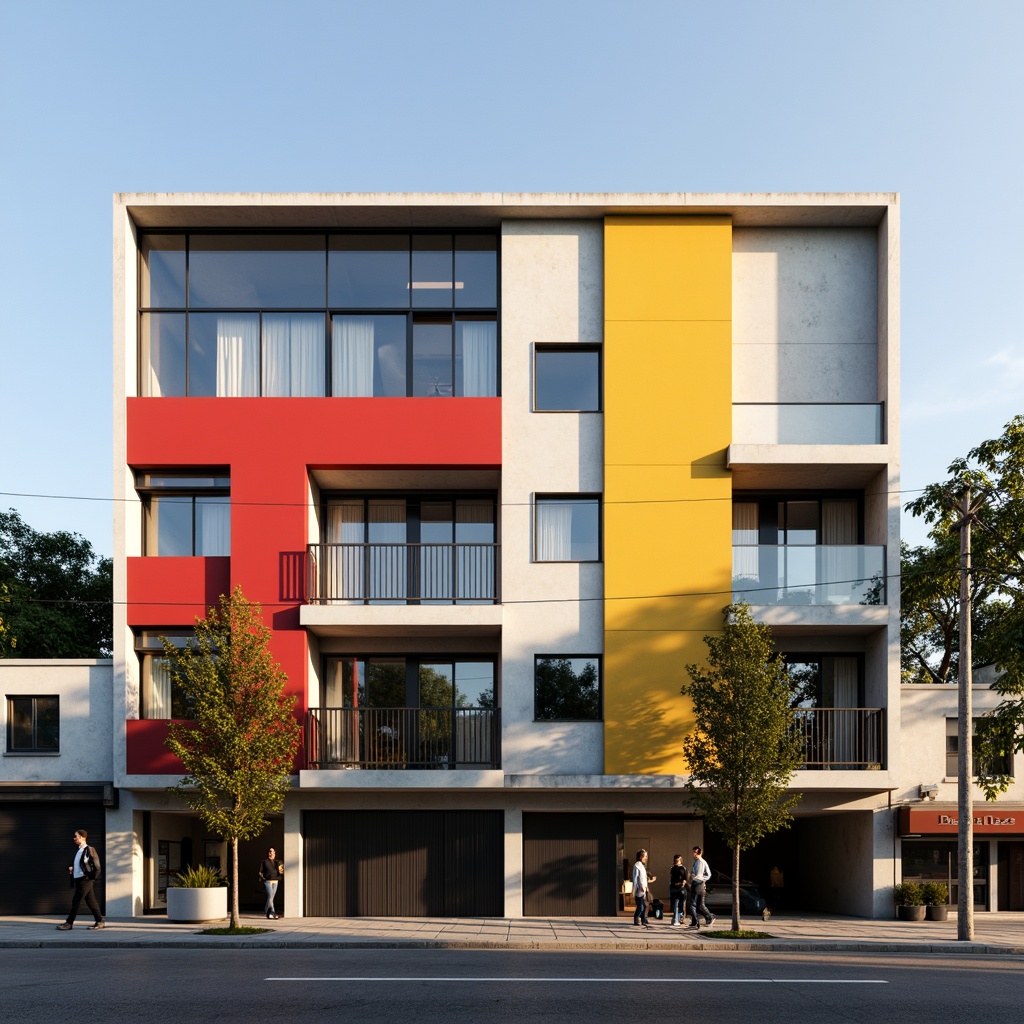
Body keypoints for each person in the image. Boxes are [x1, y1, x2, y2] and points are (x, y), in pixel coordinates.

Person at [57, 829, 104, 930]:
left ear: (82, 837)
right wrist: (72, 867)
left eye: (76, 836)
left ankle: (69, 923)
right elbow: (81, 864)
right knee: (91, 901)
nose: (74, 838)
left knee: (76, 900)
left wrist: (91, 877)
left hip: (85, 880)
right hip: (79, 879)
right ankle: (100, 921)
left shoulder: (89, 849)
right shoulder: (79, 850)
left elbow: (97, 867)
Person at [688, 845, 715, 930]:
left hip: (698, 883)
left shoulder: (702, 862)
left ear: (699, 853)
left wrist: (702, 879)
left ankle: (697, 921)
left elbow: (709, 874)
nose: (693, 854)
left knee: (693, 904)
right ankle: (708, 917)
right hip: (697, 883)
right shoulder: (695, 862)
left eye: (694, 852)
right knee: (700, 905)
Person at [632, 849, 656, 929]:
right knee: (641, 906)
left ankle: (643, 919)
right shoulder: (637, 866)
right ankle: (636, 918)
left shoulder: (642, 866)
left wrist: (648, 885)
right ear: (640, 856)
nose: (646, 858)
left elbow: (644, 878)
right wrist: (636, 888)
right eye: (645, 856)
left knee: (645, 905)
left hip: (644, 888)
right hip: (640, 889)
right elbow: (636, 878)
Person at [258, 846, 284, 919]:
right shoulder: (264, 862)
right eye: (270, 851)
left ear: (275, 853)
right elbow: (260, 872)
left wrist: (281, 870)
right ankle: (272, 912)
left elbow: (281, 871)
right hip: (268, 881)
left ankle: (267, 911)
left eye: (272, 851)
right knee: (270, 897)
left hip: (275, 881)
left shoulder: (278, 862)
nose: (271, 853)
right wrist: (263, 878)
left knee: (271, 898)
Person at [669, 853, 688, 926]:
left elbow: (685, 878)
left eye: (678, 860)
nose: (677, 861)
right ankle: (676, 917)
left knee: (682, 904)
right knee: (674, 904)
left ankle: (681, 917)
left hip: (680, 887)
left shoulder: (683, 868)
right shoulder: (672, 868)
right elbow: (671, 878)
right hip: (674, 886)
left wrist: (683, 884)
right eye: (676, 860)